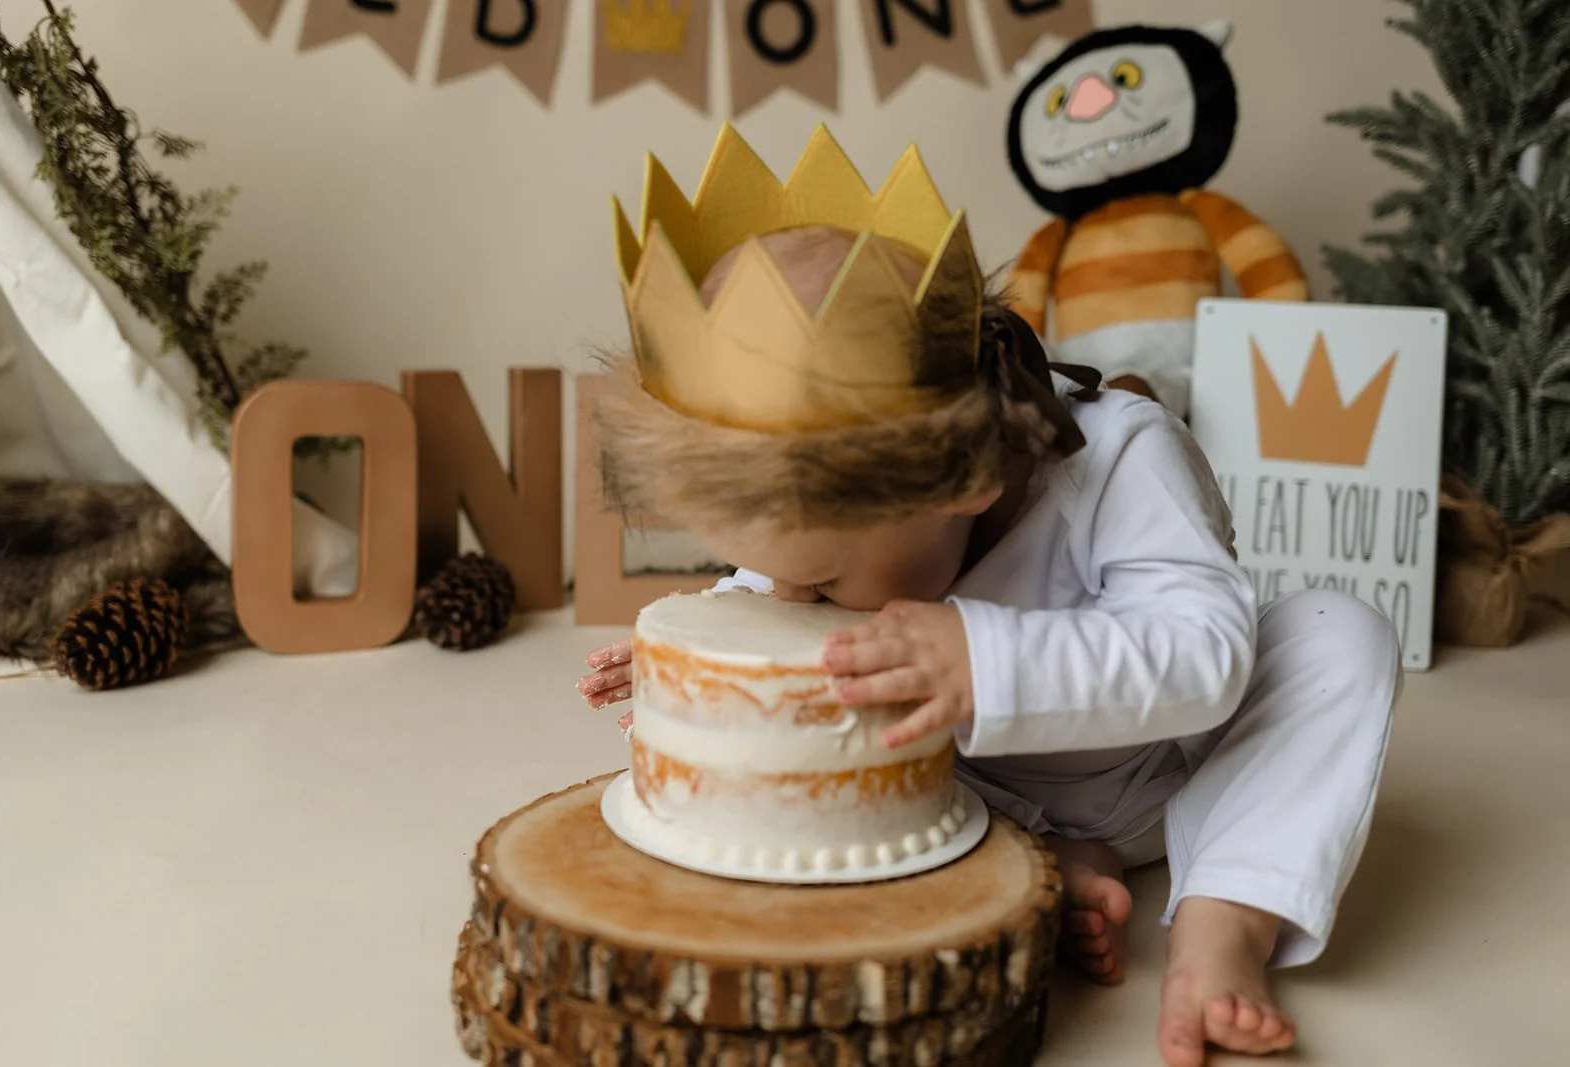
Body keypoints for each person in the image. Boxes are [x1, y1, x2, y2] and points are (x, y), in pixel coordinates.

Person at [577, 130, 1402, 1067]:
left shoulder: (1125, 453)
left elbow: (1206, 653)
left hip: (1175, 763)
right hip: (962, 791)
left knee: (1344, 635)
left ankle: (1225, 923)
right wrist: (708, 653)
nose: (799, 600)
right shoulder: (826, 545)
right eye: (775, 574)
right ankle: (1041, 868)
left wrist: (985, 657)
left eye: (826, 578)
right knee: (844, 785)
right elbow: (771, 583)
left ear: (968, 476)